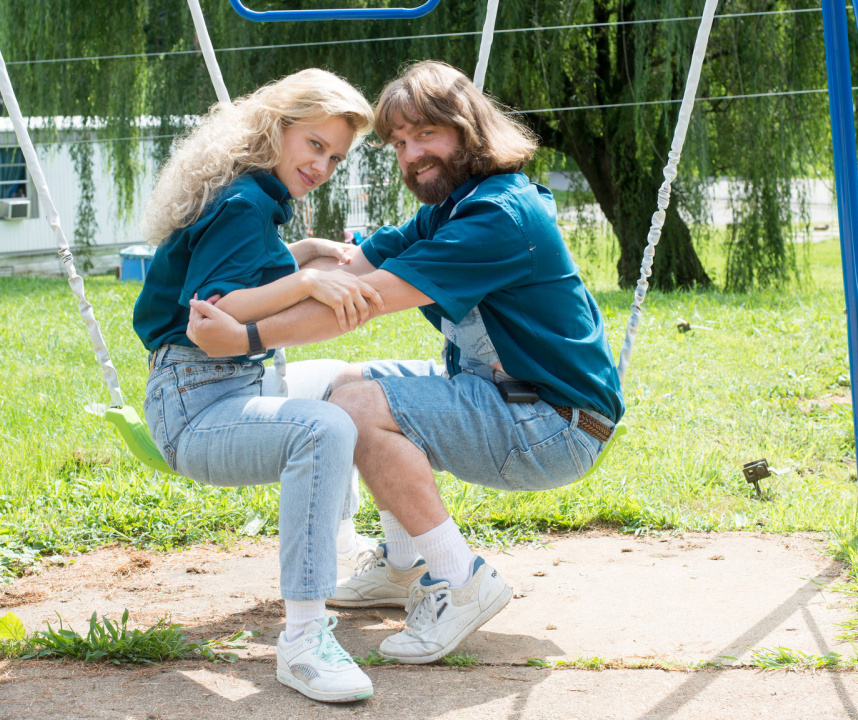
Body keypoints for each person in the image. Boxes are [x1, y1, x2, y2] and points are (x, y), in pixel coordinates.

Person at [187, 61, 624, 665]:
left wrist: (246, 335)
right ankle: (402, 565)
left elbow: (365, 301)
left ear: (468, 130)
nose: (411, 154)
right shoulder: (454, 209)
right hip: (512, 397)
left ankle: (460, 579)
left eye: (426, 134)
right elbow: (352, 269)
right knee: (350, 381)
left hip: (558, 424)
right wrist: (239, 283)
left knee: (358, 406)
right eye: (399, 142)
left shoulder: (499, 218)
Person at [133, 68, 382, 703]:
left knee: (353, 385)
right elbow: (215, 308)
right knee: (324, 426)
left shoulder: (251, 198)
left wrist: (302, 253)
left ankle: (366, 553)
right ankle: (302, 639)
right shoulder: (245, 204)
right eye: (315, 145)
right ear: (276, 130)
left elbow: (243, 266)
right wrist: (303, 283)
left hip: (213, 392)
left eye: (337, 155)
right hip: (194, 405)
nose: (324, 164)